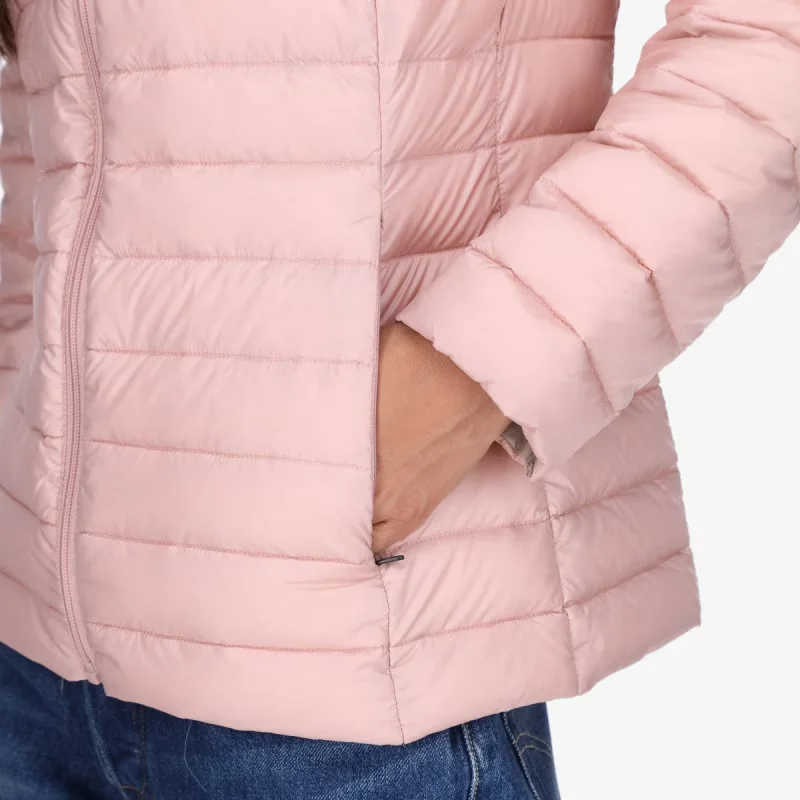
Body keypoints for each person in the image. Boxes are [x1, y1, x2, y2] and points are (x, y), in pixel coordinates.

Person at [0, 1, 797, 798]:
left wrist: (476, 366)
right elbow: (57, 127)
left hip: (350, 665)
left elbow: (771, 43)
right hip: (29, 654)